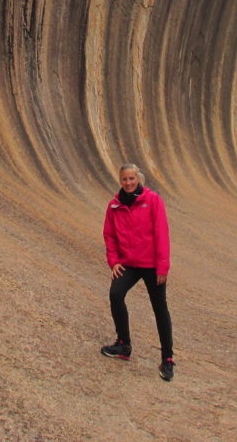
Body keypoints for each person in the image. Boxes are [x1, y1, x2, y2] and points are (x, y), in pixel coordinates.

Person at [100, 163, 174, 381]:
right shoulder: (114, 205)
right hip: (129, 263)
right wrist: (114, 262)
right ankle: (124, 344)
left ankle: (167, 358)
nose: (128, 183)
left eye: (132, 178)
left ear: (139, 179)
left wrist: (163, 266)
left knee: (160, 308)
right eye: (124, 179)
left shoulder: (152, 200)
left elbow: (162, 233)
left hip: (151, 265)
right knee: (116, 294)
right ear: (120, 181)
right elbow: (109, 235)